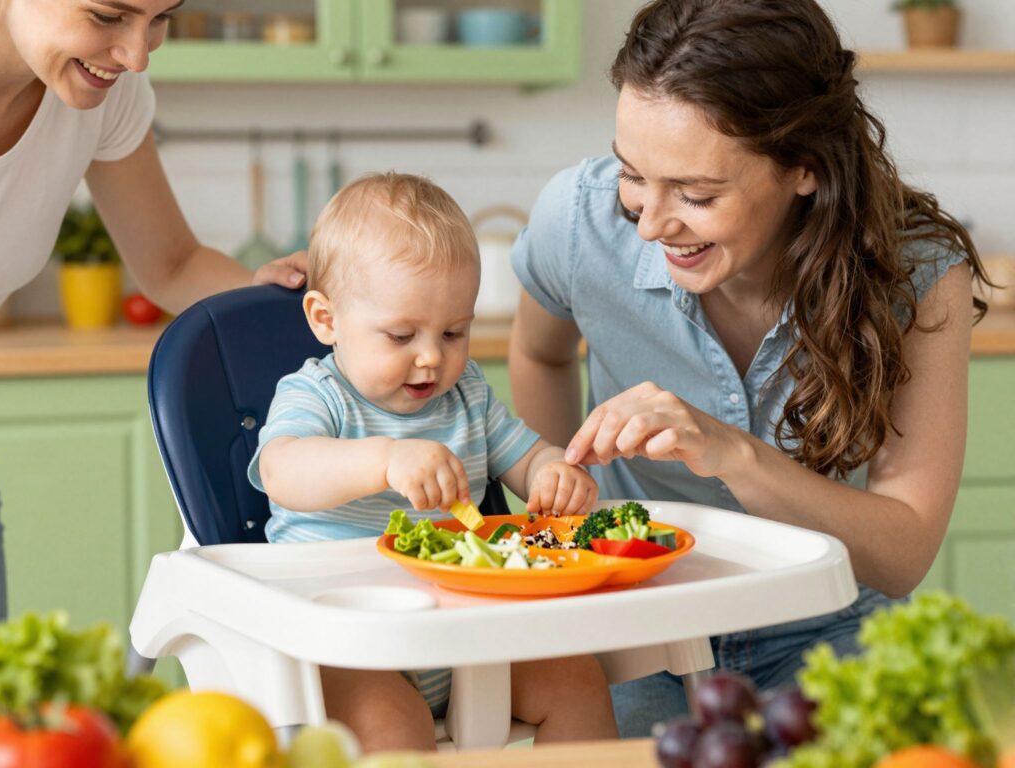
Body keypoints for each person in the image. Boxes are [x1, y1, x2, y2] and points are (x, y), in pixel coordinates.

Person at [507, 0, 991, 737]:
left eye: (696, 195)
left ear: (805, 167)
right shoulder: (577, 221)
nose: (648, 223)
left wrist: (732, 455)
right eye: (633, 173)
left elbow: (903, 553)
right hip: (633, 631)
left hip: (829, 633)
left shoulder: (915, 273)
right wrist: (568, 526)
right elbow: (539, 351)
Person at [247, 172, 617, 752]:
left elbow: (526, 454)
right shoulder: (317, 396)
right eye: (400, 335)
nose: (431, 357)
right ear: (326, 320)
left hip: (470, 627)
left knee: (578, 681)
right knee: (392, 725)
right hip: (355, 641)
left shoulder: (466, 395)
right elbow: (283, 470)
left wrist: (553, 472)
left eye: (453, 331)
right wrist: (384, 459)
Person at [0, 0, 307, 621]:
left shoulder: (103, 91)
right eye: (109, 16)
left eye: (161, 18)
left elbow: (170, 264)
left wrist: (277, 297)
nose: (137, 55)